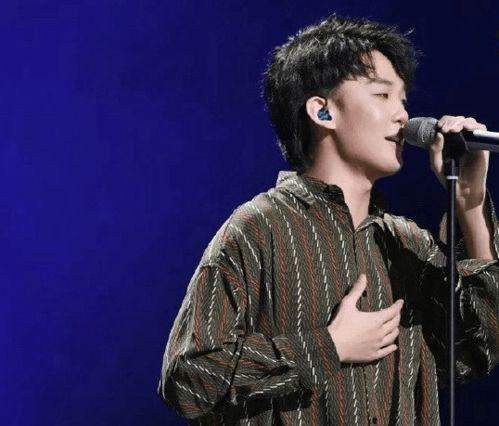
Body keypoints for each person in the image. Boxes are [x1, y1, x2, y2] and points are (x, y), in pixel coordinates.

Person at [157, 14, 498, 425]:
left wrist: (470, 205)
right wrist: (328, 347)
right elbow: (188, 379)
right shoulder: (258, 228)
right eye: (382, 95)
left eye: (404, 100)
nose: (403, 116)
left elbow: (480, 347)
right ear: (322, 112)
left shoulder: (407, 243)